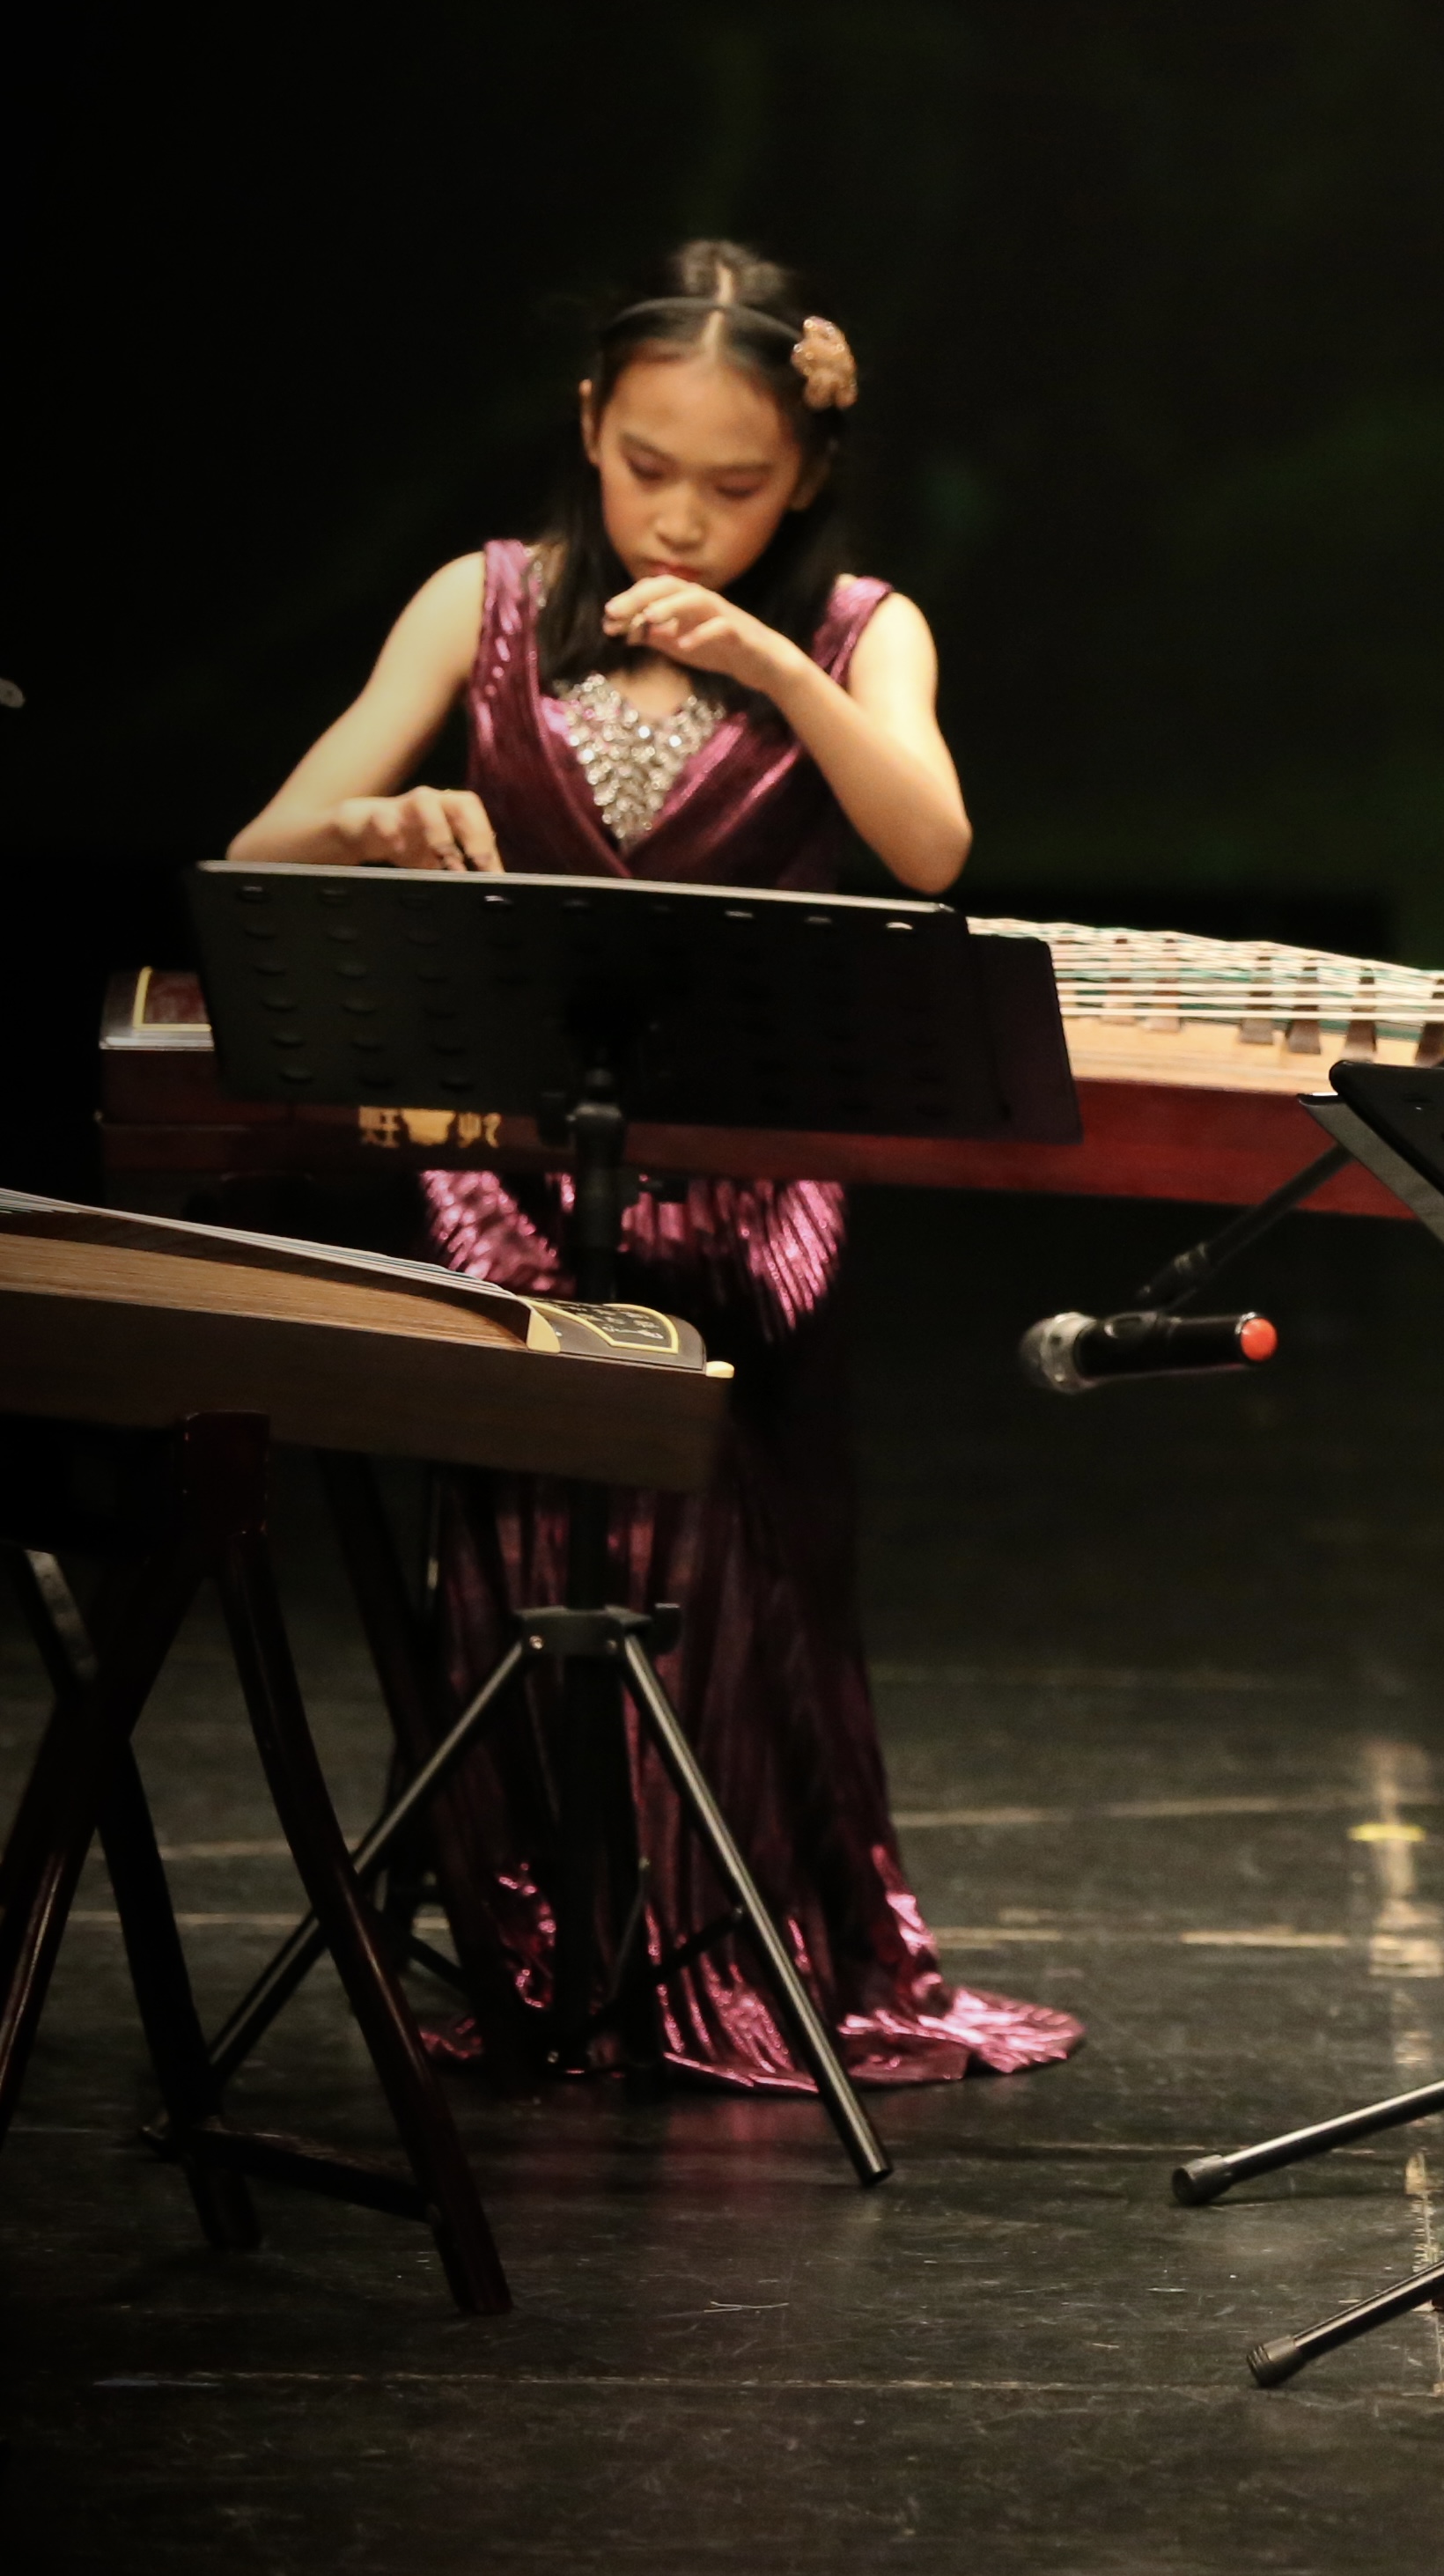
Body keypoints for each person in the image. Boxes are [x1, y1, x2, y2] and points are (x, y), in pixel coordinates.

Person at [234, 240, 1077, 2090]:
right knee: (514, 1542)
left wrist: (772, 656)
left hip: (740, 1179)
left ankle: (727, 1940)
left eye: (738, 486)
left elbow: (927, 846)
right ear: (590, 433)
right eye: (647, 470)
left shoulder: (864, 627)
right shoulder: (490, 603)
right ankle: (544, 1932)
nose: (682, 518)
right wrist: (372, 826)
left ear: (808, 480)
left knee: (727, 1547)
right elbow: (267, 839)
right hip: (515, 1175)